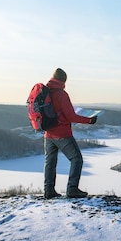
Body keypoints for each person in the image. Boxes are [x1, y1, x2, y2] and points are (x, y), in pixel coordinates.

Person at [43, 68, 97, 199]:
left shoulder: (45, 91)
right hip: (62, 133)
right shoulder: (61, 94)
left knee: (50, 162)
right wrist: (89, 120)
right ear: (63, 80)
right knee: (76, 159)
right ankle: (72, 189)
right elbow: (71, 116)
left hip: (48, 134)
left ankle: (48, 190)